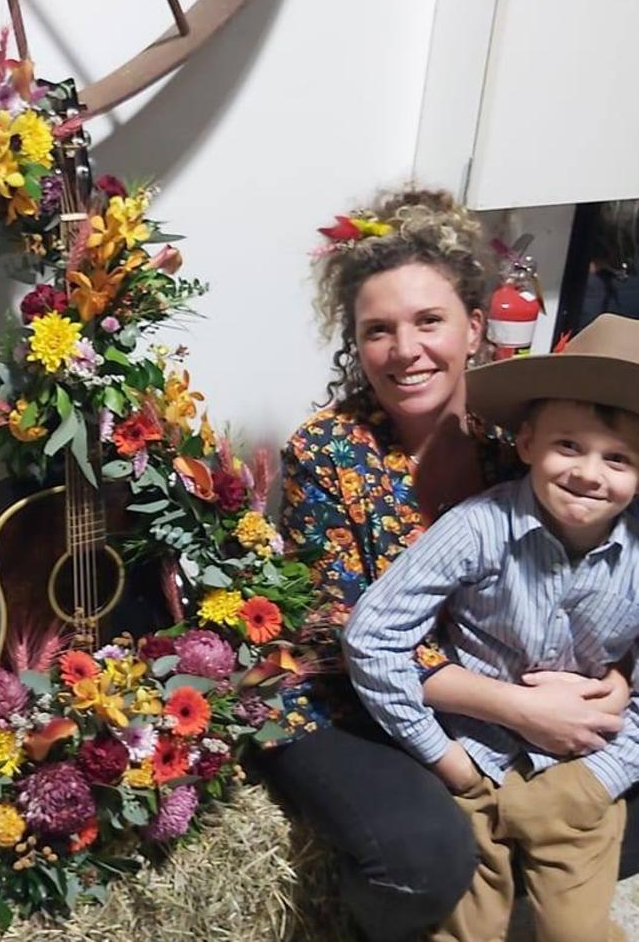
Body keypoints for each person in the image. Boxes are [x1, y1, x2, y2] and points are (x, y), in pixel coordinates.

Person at [260, 190, 635, 942]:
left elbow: (584, 581)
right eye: (378, 330)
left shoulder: (534, 439)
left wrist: (612, 675)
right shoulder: (327, 450)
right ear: (355, 344)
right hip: (343, 696)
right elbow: (341, 629)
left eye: (429, 320)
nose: (406, 349)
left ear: (474, 324)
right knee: (429, 857)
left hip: (483, 689)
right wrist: (522, 711)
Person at [344, 313, 639, 942]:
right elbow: (372, 635)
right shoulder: (479, 526)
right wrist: (443, 757)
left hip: (578, 771)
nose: (589, 473)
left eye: (618, 459)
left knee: (580, 935)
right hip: (474, 765)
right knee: (461, 934)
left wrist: (604, 778)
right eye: (568, 446)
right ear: (527, 443)